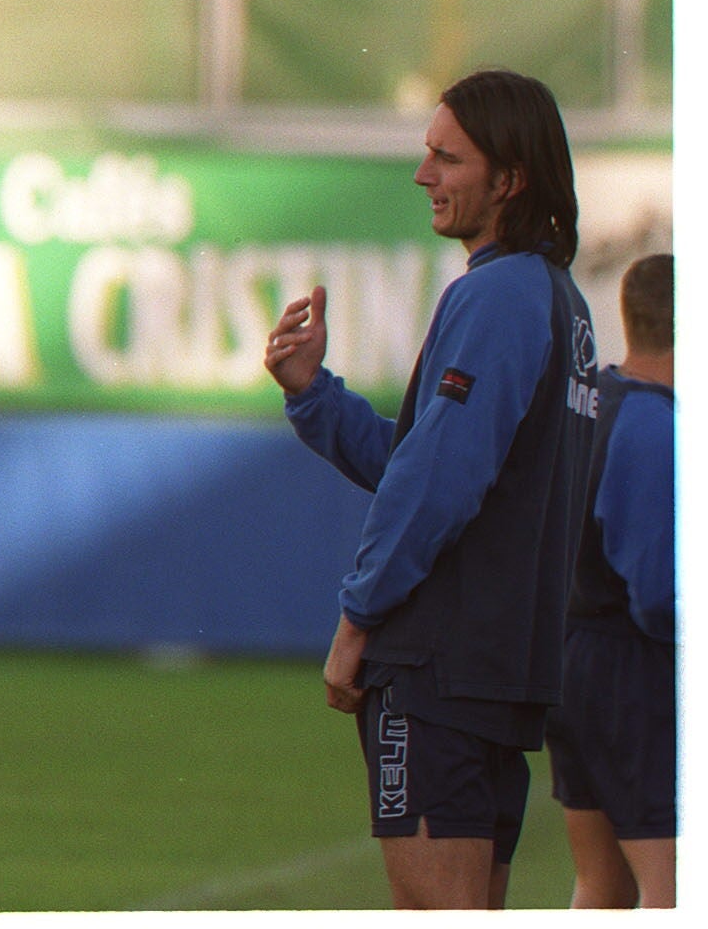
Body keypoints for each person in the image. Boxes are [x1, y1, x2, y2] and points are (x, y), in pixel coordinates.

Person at [263, 69, 598, 908]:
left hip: (439, 670)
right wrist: (315, 394)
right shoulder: (561, 300)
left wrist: (358, 616)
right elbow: (430, 461)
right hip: (503, 670)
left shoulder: (496, 294)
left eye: (447, 159)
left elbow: (436, 481)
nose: (424, 177)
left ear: (510, 178)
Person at [543, 253, 675, 908]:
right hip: (631, 672)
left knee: (602, 880)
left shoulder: (590, 397)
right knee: (674, 888)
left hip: (572, 656)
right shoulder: (655, 424)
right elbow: (657, 594)